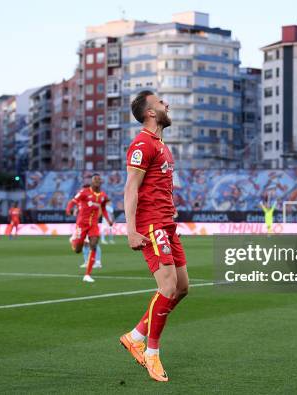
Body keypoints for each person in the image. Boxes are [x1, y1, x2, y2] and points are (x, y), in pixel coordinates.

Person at [119, 90, 188, 382]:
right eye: (161, 103)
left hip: (167, 224)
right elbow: (130, 188)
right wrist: (131, 229)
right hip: (151, 225)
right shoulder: (141, 144)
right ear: (150, 112)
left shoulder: (161, 144)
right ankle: (152, 353)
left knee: (182, 288)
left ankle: (135, 336)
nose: (166, 105)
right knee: (168, 287)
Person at [65, 174, 113, 282]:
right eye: (95, 179)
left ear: (101, 182)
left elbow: (104, 208)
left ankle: (87, 274)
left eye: (98, 179)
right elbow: (73, 201)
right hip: (82, 224)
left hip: (94, 225)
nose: (97, 181)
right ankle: (74, 241)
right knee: (78, 249)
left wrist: (108, 220)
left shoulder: (103, 195)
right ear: (91, 182)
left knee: (94, 244)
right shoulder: (84, 192)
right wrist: (68, 210)